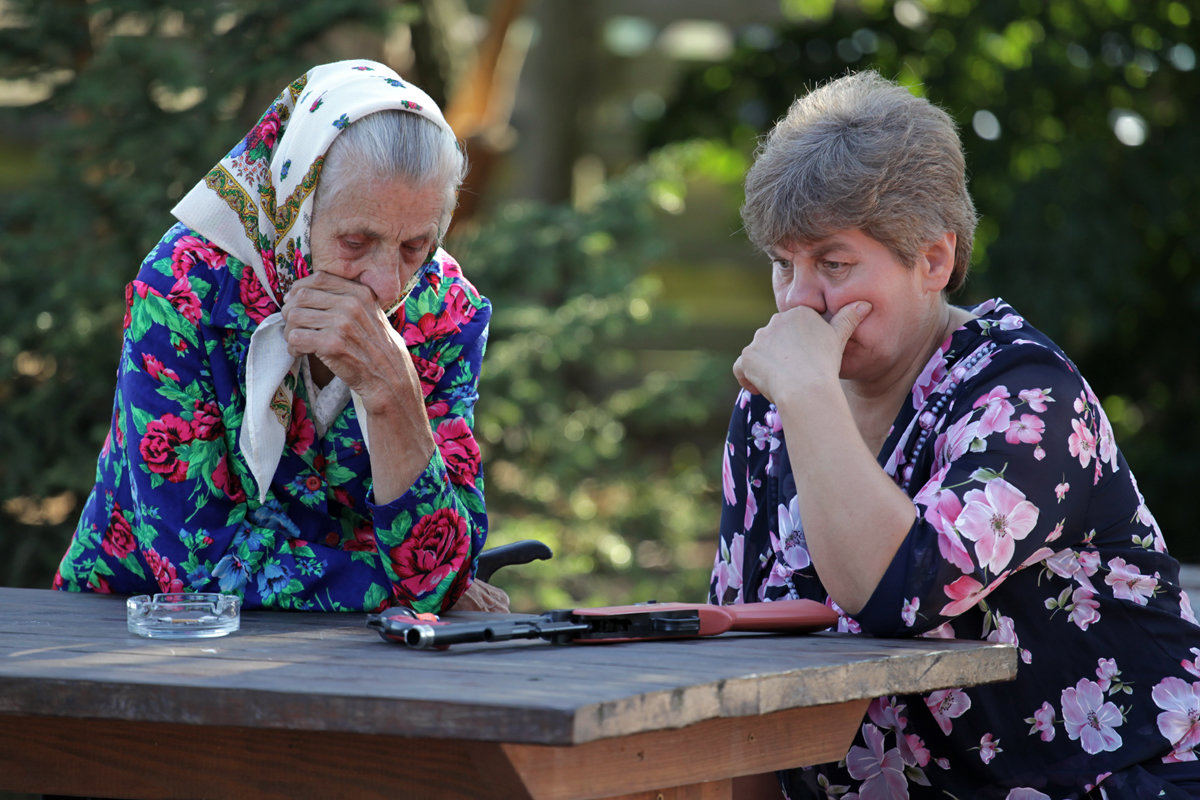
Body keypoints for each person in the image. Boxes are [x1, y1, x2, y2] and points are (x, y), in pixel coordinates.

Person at [710, 71, 1200, 798]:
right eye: (784, 266)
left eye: (834, 264)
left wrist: (809, 395)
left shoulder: (1027, 398)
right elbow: (738, 655)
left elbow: (898, 594)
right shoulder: (778, 401)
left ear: (933, 261)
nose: (800, 303)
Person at [54, 59, 507, 614]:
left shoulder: (444, 310)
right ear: (296, 211)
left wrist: (393, 392)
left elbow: (444, 559)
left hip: (356, 654)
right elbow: (192, 566)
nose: (387, 282)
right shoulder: (185, 286)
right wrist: (399, 588)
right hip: (130, 630)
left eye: (415, 246)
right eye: (356, 241)